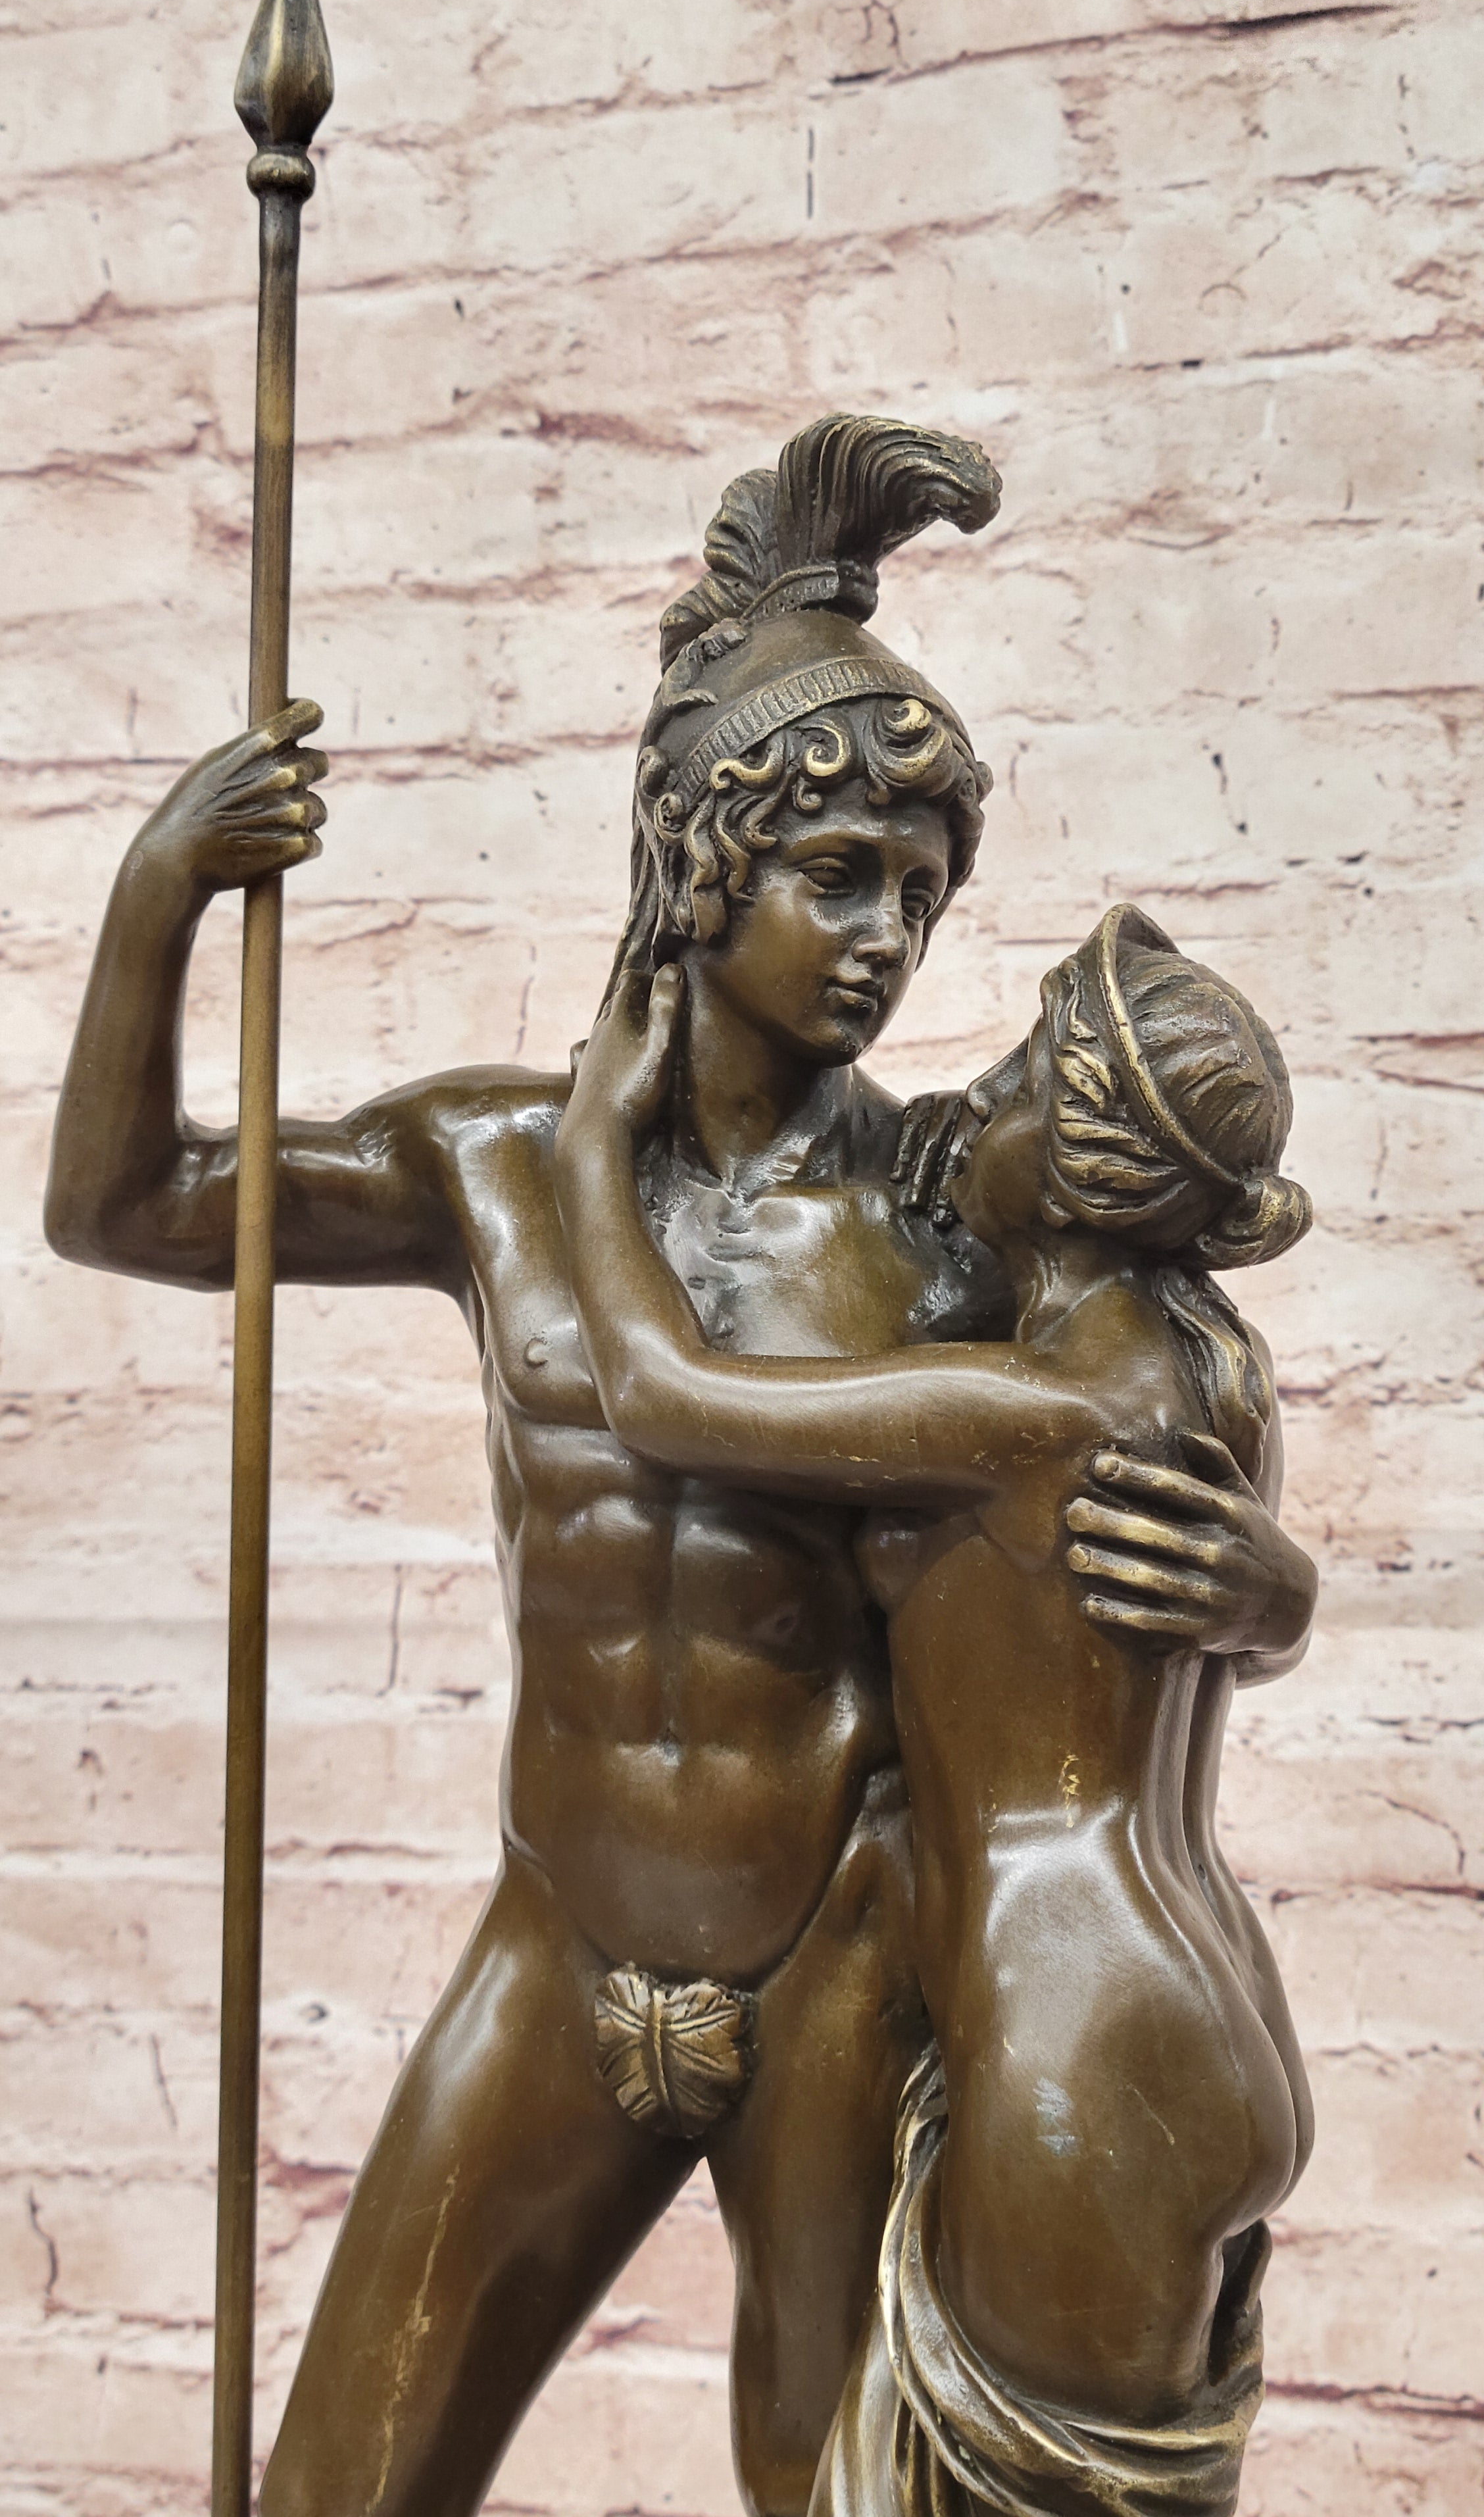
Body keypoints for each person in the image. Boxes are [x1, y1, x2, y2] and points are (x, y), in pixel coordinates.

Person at [44, 416, 1316, 2517]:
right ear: (700, 858)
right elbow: (129, 1208)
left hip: (835, 1959)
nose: (890, 935)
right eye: (840, 876)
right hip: (561, 1936)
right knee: (342, 2480)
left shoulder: (942, 1210)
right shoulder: (491, 1164)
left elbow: (1150, 1415)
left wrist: (1275, 1597)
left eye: (923, 892)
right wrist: (160, 893)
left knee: (824, 2482)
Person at [553, 907, 1316, 2517]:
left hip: (1080, 2039)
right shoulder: (1206, 1369)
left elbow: (662, 1395)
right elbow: (1181, 1634)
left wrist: (591, 1148)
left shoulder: (1027, 1413)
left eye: (1022, 1079)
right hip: (1189, 1995)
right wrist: (1286, 1605)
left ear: (1089, 1174)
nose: (975, 1097)